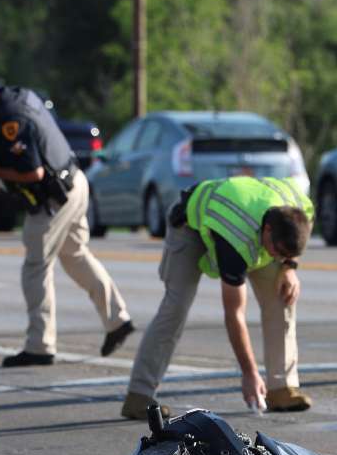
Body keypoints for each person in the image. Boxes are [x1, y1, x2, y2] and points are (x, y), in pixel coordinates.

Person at [0, 74, 135, 368]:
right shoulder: (18, 96)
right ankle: (118, 320)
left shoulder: (10, 118)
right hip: (75, 182)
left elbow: (32, 172)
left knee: (35, 267)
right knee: (75, 256)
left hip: (54, 197)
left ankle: (40, 346)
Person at [121, 176, 314, 419]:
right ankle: (139, 395)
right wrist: (249, 373)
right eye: (277, 251)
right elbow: (234, 314)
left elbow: (297, 232)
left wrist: (289, 267)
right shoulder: (235, 237)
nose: (277, 257)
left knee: (282, 295)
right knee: (176, 307)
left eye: (285, 254)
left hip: (244, 222)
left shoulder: (298, 206)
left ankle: (281, 389)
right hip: (190, 227)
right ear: (268, 230)